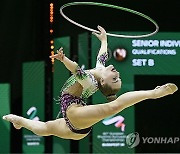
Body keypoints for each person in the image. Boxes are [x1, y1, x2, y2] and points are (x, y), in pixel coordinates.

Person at [3, 26, 178, 140]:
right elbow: (102, 56)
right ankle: (20, 121)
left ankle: (154, 93)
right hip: (77, 123)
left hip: (75, 115)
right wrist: (104, 40)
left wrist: (64, 59)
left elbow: (77, 70)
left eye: (114, 79)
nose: (117, 73)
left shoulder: (91, 82)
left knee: (112, 108)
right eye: (118, 78)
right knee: (46, 128)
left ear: (103, 81)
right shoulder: (100, 70)